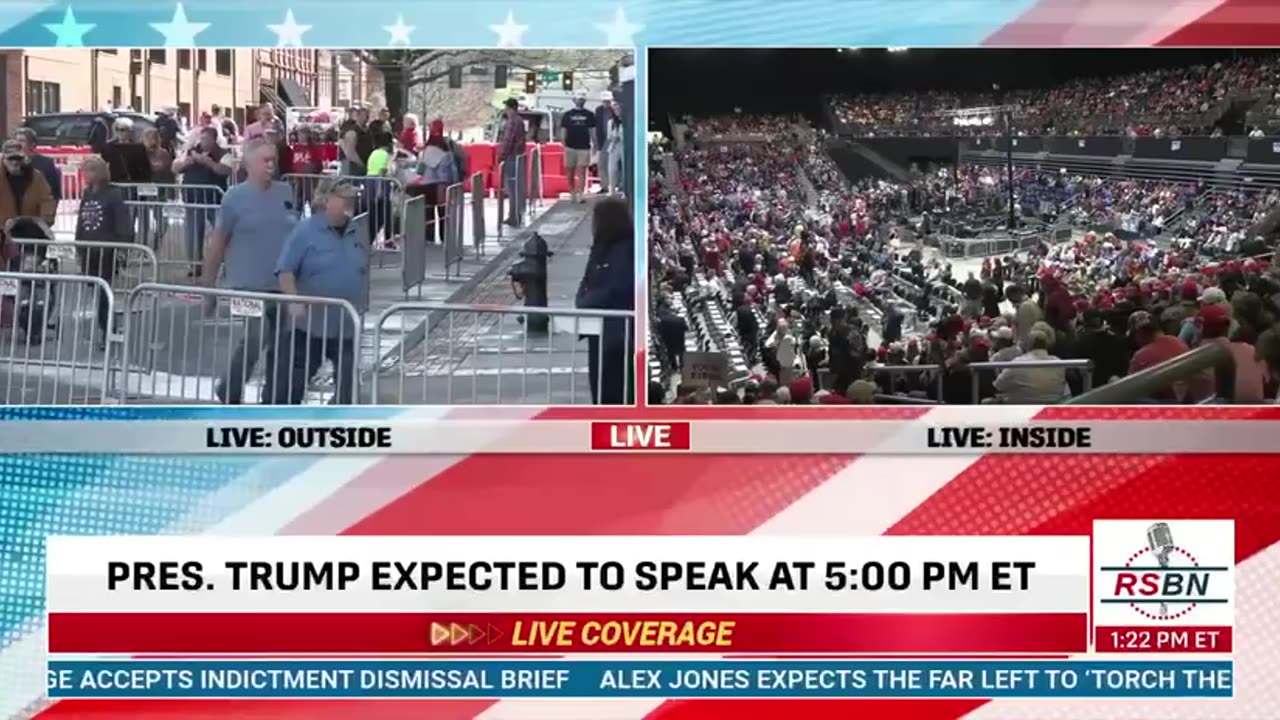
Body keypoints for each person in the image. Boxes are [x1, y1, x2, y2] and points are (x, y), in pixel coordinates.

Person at [200, 138, 299, 404]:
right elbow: (218, 242)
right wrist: (208, 288)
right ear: (250, 164)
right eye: (265, 160)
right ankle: (230, 388)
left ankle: (273, 397)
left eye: (274, 160)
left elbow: (296, 235)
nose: (271, 165)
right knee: (256, 337)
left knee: (281, 343)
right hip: (246, 284)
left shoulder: (285, 191)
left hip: (281, 284)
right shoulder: (234, 197)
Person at [272, 178, 365, 405]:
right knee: (295, 381)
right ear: (326, 201)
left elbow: (361, 269)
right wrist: (293, 300)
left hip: (345, 323)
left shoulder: (357, 230)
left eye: (352, 198)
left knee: (348, 382)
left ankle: (336, 423)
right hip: (310, 325)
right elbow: (285, 270)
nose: (350, 202)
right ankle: (285, 423)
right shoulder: (305, 232)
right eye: (344, 198)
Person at [576, 197, 634, 405]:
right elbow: (587, 280)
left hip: (616, 333)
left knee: (611, 388)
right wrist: (582, 300)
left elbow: (613, 287)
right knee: (600, 385)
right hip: (599, 330)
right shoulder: (601, 249)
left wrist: (584, 304)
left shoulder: (623, 251)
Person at [73, 155, 133, 348]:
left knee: (103, 293)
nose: (84, 175)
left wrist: (123, 248)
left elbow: (123, 223)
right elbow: (81, 223)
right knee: (97, 292)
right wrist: (78, 247)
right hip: (89, 250)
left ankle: (108, 331)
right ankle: (106, 329)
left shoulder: (113, 194)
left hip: (106, 250)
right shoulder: (87, 194)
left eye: (88, 170)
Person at [171, 126, 232, 277]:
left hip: (214, 200)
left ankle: (225, 264)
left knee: (221, 232)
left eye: (206, 139)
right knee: (192, 233)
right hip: (192, 198)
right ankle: (194, 265)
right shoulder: (191, 150)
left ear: (213, 139)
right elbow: (175, 168)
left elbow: (225, 170)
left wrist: (207, 162)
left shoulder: (223, 153)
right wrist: (187, 163)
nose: (202, 142)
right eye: (201, 138)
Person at [412, 124, 461, 244]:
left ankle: (429, 238)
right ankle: (444, 238)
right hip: (442, 186)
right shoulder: (447, 154)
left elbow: (419, 170)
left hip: (426, 185)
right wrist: (457, 184)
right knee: (443, 213)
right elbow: (453, 171)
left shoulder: (424, 152)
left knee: (428, 213)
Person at [560, 91, 597, 203]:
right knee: (570, 171)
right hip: (570, 146)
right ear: (574, 100)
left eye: (582, 99)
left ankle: (580, 193)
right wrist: (563, 141)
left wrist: (595, 143)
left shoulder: (590, 115)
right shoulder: (567, 115)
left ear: (584, 101)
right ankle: (572, 192)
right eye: (578, 99)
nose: (580, 101)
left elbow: (592, 130)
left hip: (584, 147)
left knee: (581, 170)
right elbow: (563, 129)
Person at [13, 128, 61, 211]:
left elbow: (54, 192)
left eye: (21, 141)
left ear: (32, 144)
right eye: (15, 141)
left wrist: (49, 214)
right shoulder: (8, 163)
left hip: (37, 213)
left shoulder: (45, 164)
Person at [496, 98, 526, 227]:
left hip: (511, 157)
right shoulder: (520, 121)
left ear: (510, 108)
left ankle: (514, 216)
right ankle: (515, 214)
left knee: (512, 188)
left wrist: (502, 155)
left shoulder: (512, 122)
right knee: (516, 188)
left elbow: (508, 141)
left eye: (506, 108)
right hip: (517, 156)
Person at [101, 118, 151, 185]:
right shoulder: (109, 146)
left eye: (123, 130)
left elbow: (145, 167)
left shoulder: (138, 147)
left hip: (135, 181)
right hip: (115, 181)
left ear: (130, 131)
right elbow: (104, 163)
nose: (120, 133)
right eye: (117, 130)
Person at [594, 92, 615, 195]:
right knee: (602, 164)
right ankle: (605, 186)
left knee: (613, 165)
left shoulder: (615, 109)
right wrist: (597, 143)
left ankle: (614, 186)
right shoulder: (599, 110)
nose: (606, 103)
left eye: (608, 101)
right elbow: (597, 127)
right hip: (603, 140)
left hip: (614, 139)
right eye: (605, 101)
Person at [604, 103, 625, 196]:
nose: (617, 111)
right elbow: (609, 136)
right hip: (614, 145)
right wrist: (614, 138)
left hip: (624, 145)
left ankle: (625, 190)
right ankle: (611, 189)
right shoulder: (611, 122)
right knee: (612, 168)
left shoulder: (626, 121)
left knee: (625, 169)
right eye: (615, 109)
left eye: (618, 109)